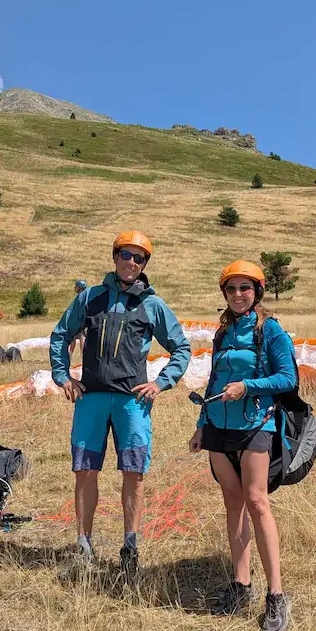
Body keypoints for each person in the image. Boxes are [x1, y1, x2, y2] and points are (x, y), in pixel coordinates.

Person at [50, 230, 191, 575]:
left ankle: (130, 545)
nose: (131, 262)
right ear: (115, 257)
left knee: (135, 473)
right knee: (85, 471)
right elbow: (61, 335)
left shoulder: (152, 305)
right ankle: (84, 544)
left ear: (144, 265)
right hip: (92, 399)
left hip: (132, 403)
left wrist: (160, 383)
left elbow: (182, 348)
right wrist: (62, 376)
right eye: (125, 255)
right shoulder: (90, 298)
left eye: (138, 258)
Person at [189, 260, 297, 631]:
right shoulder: (222, 332)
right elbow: (215, 379)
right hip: (218, 426)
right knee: (232, 502)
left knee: (256, 501)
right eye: (231, 288)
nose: (238, 295)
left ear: (257, 292)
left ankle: (276, 595)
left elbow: (288, 378)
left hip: (256, 425)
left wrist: (247, 387)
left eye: (245, 288)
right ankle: (240, 584)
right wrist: (201, 425)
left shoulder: (271, 330)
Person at [69, 280, 87, 358]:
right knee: (77, 336)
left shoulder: (81, 297)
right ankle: (73, 354)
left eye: (76, 286)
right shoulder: (85, 295)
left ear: (80, 287)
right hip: (82, 320)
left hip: (80, 320)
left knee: (81, 336)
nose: (74, 288)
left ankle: (80, 355)